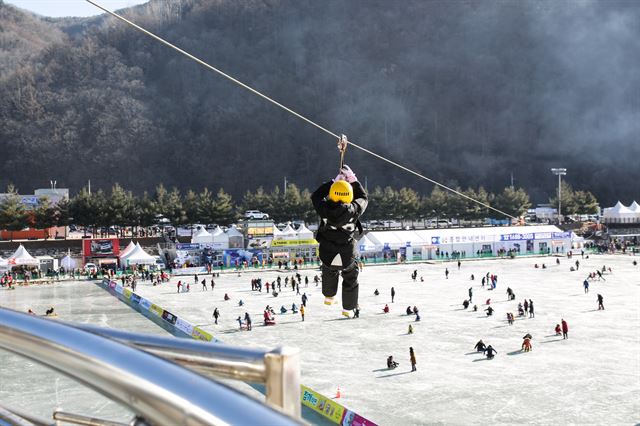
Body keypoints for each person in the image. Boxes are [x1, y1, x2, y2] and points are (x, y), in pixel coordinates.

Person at [311, 163, 368, 319]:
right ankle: (348, 308)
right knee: (350, 276)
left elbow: (315, 196)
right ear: (349, 195)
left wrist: (333, 183)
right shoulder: (353, 210)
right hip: (346, 253)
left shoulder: (323, 208)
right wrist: (353, 180)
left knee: (329, 270)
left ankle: (329, 296)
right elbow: (363, 198)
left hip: (327, 252)